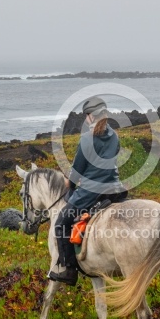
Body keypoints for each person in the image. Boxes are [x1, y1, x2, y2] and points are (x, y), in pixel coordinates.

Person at [49, 96, 126, 285]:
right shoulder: (114, 135)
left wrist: (71, 187)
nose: (85, 119)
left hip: (92, 192)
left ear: (91, 116)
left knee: (60, 223)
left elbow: (76, 173)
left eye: (86, 116)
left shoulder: (87, 139)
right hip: (115, 189)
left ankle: (69, 270)